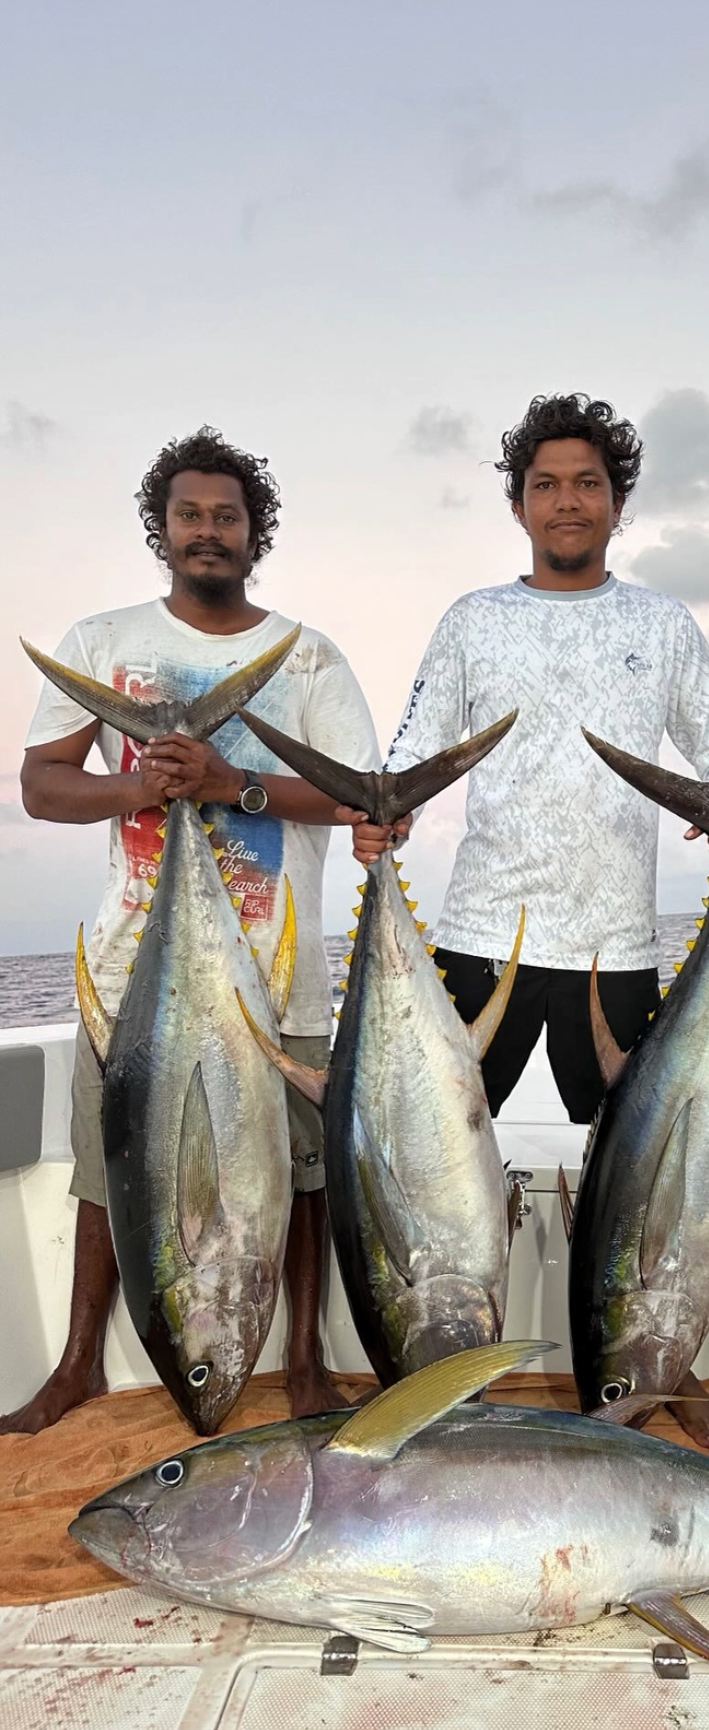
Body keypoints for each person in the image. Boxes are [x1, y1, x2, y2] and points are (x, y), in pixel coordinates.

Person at [345, 393, 709, 1440]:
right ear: (518, 503)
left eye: (587, 484)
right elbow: (412, 751)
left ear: (617, 503)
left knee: (648, 1182)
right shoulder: (473, 619)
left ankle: (663, 1364)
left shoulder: (662, 622)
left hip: (618, 946)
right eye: (545, 485)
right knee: (420, 1166)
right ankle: (432, 1358)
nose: (566, 501)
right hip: (479, 935)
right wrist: (381, 814)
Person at [2, 426, 380, 1435]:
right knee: (106, 1163)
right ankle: (76, 1359)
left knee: (300, 1170)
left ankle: (303, 1359)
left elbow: (359, 796)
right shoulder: (99, 641)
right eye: (190, 515)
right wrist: (140, 782)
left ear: (256, 532)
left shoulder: (308, 657)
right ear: (161, 529)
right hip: (133, 969)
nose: (208, 531)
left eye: (227, 516)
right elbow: (41, 784)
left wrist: (230, 781)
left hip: (279, 971)